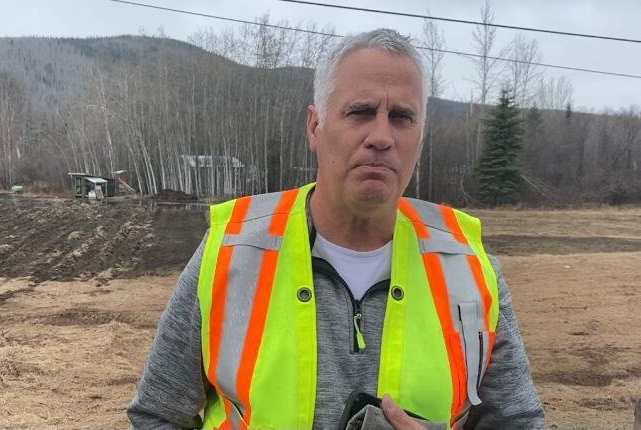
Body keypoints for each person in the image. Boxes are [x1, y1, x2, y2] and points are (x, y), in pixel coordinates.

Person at [128, 28, 545, 429]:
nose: (381, 136)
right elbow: (157, 416)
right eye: (360, 112)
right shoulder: (232, 251)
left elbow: (519, 422)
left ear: (421, 137)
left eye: (402, 117)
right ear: (315, 126)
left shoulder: (468, 267)